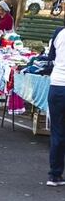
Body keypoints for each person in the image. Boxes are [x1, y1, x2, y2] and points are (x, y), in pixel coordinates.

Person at [45, 20, 65, 186]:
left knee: (57, 132)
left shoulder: (59, 33)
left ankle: (55, 174)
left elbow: (50, 57)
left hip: (57, 86)